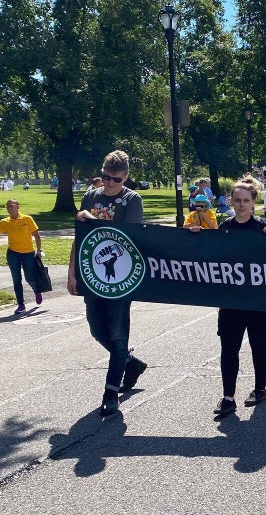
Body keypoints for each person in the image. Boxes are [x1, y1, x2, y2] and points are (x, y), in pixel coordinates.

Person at [67, 150, 147, 417]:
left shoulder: (131, 200)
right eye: (105, 177)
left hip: (120, 277)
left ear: (125, 177)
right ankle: (128, 362)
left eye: (115, 179)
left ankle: (111, 392)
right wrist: (72, 272)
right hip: (92, 273)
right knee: (97, 330)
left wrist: (93, 220)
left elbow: (129, 236)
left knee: (116, 332)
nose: (109, 183)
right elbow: (81, 239)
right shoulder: (91, 196)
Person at [213, 179, 266, 417]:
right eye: (237, 200)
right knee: (229, 347)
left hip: (260, 301)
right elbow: (210, 256)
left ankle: (260, 389)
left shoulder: (263, 227)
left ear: (253, 202)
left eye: (246, 201)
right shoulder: (224, 227)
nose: (241, 205)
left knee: (259, 344)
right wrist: (195, 238)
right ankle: (228, 396)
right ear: (231, 201)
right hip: (231, 301)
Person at [0, 199, 43, 314]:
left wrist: (39, 250)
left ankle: (36, 291)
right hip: (13, 253)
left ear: (17, 207)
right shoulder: (5, 222)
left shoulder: (27, 219)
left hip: (28, 253)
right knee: (16, 279)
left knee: (29, 277)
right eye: (7, 206)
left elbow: (37, 235)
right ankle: (21, 304)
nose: (9, 208)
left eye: (11, 206)